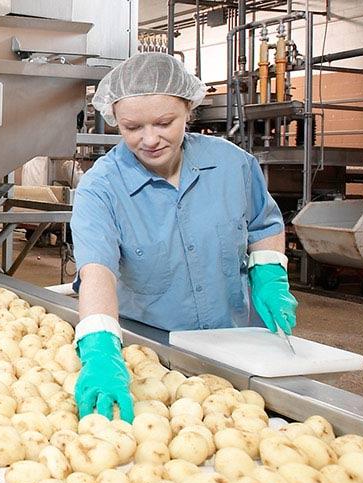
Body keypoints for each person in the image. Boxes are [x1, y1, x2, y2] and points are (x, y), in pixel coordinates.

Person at [70, 53, 298, 423]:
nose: (149, 139)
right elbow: (98, 270)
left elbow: (263, 223)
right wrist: (99, 349)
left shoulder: (232, 164)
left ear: (188, 109)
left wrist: (271, 275)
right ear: (115, 122)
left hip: (238, 344)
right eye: (131, 127)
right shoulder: (101, 187)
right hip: (158, 357)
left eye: (164, 122)